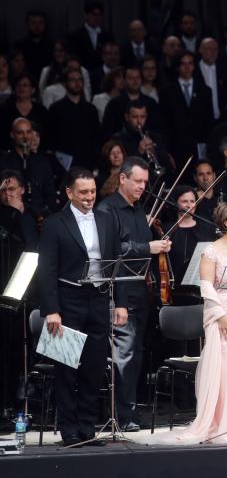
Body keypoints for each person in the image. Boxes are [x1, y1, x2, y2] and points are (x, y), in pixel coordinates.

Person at [150, 202, 227, 444]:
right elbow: (206, 286)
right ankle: (226, 422)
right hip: (224, 316)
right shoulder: (212, 252)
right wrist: (220, 315)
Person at [39, 167, 126, 447]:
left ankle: (88, 428)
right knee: (66, 367)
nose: (89, 197)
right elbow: (47, 270)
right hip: (68, 299)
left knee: (93, 366)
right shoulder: (55, 223)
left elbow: (115, 264)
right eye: (83, 192)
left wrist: (120, 302)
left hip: (98, 298)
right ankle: (69, 430)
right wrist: (51, 309)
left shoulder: (106, 219)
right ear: (69, 193)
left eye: (92, 191)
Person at [97, 156, 172, 431]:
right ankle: (122, 415)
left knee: (135, 355)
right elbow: (111, 253)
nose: (142, 187)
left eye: (145, 182)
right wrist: (148, 248)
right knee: (124, 356)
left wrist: (156, 246)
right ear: (123, 179)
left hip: (142, 293)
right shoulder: (107, 210)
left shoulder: (138, 210)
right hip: (121, 295)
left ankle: (129, 411)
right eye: (138, 181)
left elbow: (139, 247)